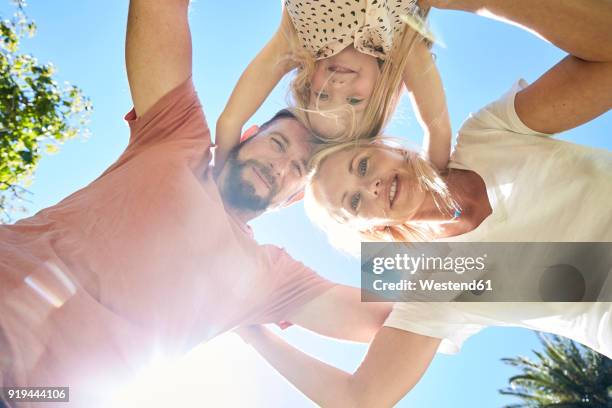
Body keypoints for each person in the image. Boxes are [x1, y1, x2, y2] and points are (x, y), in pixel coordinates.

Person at [0, 1, 391, 406]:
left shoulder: (270, 275)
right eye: (277, 144)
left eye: (297, 170)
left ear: (295, 198)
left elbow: (379, 317)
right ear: (249, 132)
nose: (279, 167)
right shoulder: (177, 136)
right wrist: (284, 45)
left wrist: (455, 223)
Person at [237, 1, 612, 406]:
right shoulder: (439, 285)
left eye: (362, 165)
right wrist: (247, 326)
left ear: (390, 149)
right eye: (356, 202)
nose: (374, 186)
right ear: (371, 229)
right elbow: (360, 398)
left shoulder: (490, 134)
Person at [215, 0, 453, 174]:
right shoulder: (400, 41)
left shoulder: (297, 40)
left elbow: (230, 121)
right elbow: (438, 131)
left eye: (323, 95)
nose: (337, 85)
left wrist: (216, 185)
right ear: (380, 96)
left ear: (308, 83)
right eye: (353, 101)